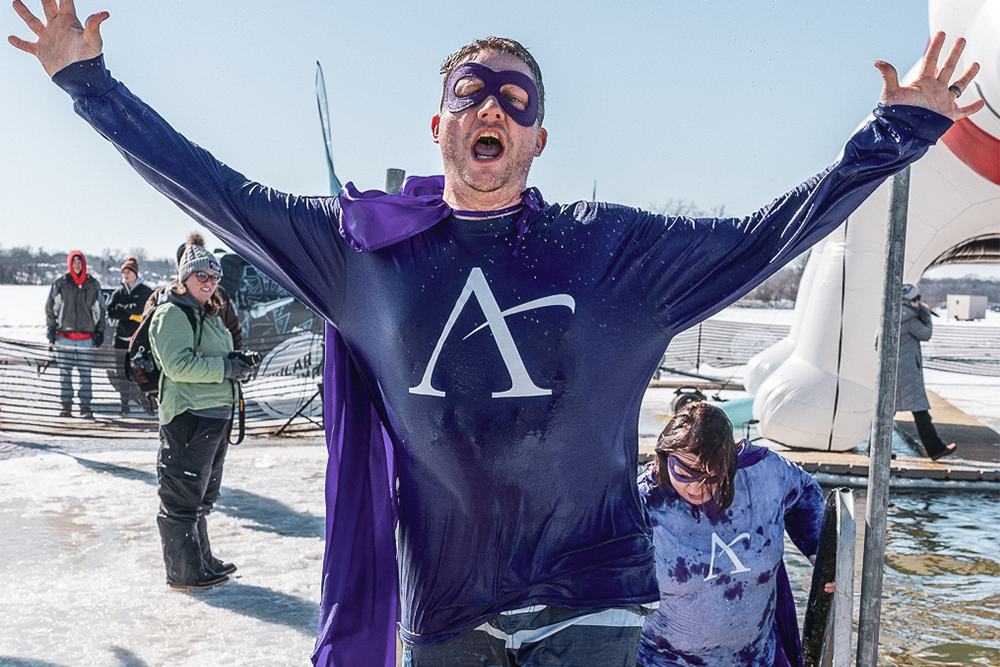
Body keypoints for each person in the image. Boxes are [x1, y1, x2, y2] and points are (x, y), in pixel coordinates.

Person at [9, 4, 983, 664]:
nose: (491, 109)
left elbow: (766, 232)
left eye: (514, 101)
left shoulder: (608, 252)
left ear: (538, 140)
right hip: (446, 608)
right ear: (437, 123)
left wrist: (891, 136)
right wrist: (91, 85)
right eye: (473, 93)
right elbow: (213, 189)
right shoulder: (359, 253)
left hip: (591, 602)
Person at [636, 402, 826, 667]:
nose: (694, 488)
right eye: (683, 473)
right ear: (665, 455)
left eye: (711, 478)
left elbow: (805, 491)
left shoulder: (764, 475)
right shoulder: (642, 504)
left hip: (755, 657)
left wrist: (819, 551)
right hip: (664, 660)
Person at [149, 236, 254, 590]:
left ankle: (201, 559)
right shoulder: (172, 313)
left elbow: (216, 356)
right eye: (202, 277)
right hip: (188, 417)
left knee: (201, 496)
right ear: (185, 277)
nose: (209, 284)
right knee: (181, 497)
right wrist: (226, 368)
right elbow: (179, 365)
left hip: (213, 417)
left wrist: (237, 363)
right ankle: (183, 572)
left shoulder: (206, 313)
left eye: (214, 278)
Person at [146, 233, 243, 351]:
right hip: (179, 365)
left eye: (213, 277)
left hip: (219, 365)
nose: (208, 283)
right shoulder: (163, 296)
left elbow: (234, 331)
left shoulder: (219, 293)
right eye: (200, 275)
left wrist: (238, 360)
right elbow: (149, 332)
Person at [896, 283, 957, 460]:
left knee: (887, 411)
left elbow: (876, 342)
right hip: (908, 373)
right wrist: (926, 315)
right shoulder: (912, 319)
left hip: (894, 371)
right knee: (921, 411)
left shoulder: (891, 315)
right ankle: (935, 449)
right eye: (917, 298)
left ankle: (873, 449)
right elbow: (926, 334)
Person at [45, 249, 106, 418]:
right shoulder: (61, 283)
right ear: (70, 264)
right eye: (74, 262)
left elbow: (101, 309)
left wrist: (100, 331)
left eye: (79, 262)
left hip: (86, 338)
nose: (77, 265)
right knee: (65, 374)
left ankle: (85, 406)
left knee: (85, 375)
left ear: (83, 264)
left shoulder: (92, 284)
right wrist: (51, 328)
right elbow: (50, 308)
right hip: (64, 337)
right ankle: (66, 406)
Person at [105, 256, 154, 414]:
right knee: (122, 374)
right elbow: (111, 311)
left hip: (139, 340)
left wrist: (124, 309)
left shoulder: (145, 291)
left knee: (142, 373)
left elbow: (143, 309)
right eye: (123, 272)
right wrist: (130, 315)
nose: (126, 275)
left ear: (135, 273)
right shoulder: (118, 292)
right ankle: (124, 405)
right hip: (120, 339)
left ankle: (148, 405)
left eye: (128, 271)